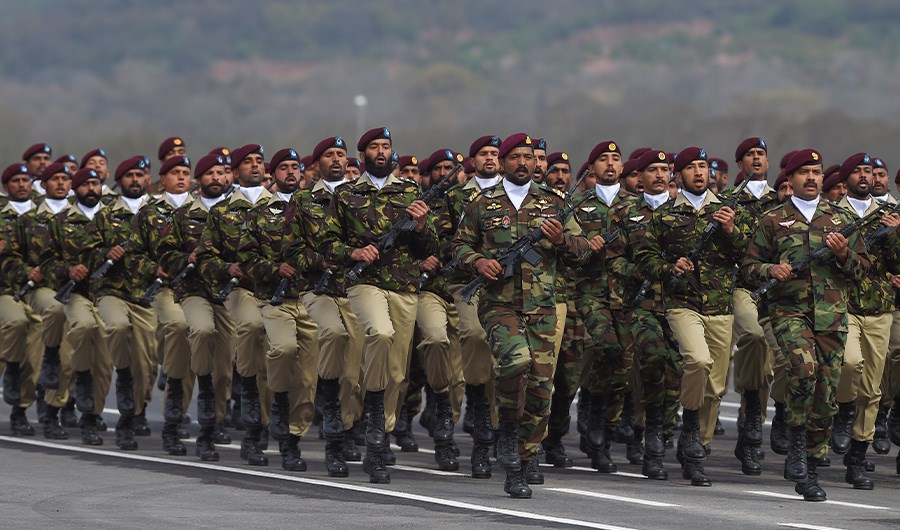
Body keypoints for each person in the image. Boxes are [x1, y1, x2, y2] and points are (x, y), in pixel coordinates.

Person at [452, 132, 591, 498]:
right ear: (502, 162)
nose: (523, 163)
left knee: (542, 387)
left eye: (529, 157)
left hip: (543, 307)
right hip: (500, 304)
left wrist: (561, 239)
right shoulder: (483, 203)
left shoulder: (555, 203)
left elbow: (583, 252)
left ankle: (527, 454)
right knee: (515, 363)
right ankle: (510, 442)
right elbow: (458, 246)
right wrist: (478, 261)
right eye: (515, 157)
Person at [742, 148, 870, 501]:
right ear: (790, 179)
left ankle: (811, 468)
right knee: (803, 368)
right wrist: (771, 270)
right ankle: (796, 442)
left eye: (816, 172)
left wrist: (845, 254)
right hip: (788, 312)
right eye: (804, 173)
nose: (811, 178)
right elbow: (748, 268)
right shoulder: (772, 220)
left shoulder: (842, 219)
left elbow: (863, 271)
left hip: (831, 317)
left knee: (827, 395)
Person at [321, 127, 437, 484]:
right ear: (363, 154)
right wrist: (352, 252)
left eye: (386, 146)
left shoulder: (411, 191)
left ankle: (380, 437)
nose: (382, 151)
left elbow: (427, 248)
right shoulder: (347, 194)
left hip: (404, 286)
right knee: (380, 334)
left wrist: (419, 226)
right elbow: (327, 243)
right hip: (363, 284)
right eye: (375, 146)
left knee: (398, 372)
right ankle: (368, 432)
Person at [636, 147, 750, 487]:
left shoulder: (729, 211)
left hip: (720, 307)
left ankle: (697, 448)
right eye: (691, 168)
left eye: (703, 166)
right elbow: (645, 258)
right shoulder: (665, 215)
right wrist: (671, 267)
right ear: (678, 174)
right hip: (682, 304)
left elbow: (750, 253)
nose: (699, 172)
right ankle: (688, 430)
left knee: (715, 388)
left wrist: (732, 231)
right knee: (697, 361)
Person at [240, 147, 319, 472]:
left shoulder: (317, 209)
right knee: (282, 353)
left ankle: (292, 438)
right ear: (274, 175)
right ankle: (262, 425)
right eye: (283, 167)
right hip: (273, 299)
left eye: (294, 167)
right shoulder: (259, 213)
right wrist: (276, 269)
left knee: (307, 374)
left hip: (312, 298)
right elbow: (246, 259)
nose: (290, 172)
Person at [196, 144, 273, 466]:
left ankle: (273, 424)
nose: (254, 166)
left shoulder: (283, 206)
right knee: (253, 328)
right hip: (240, 290)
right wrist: (228, 268)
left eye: (259, 161)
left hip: (277, 291)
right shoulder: (222, 211)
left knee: (280, 355)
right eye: (247, 163)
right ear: (235, 172)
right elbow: (205, 257)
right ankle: (244, 423)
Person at [158, 153, 236, 461]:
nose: (216, 177)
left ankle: (212, 424)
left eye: (221, 173)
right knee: (201, 332)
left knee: (225, 366)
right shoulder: (183, 214)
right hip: (193, 292)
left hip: (227, 294)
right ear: (199, 181)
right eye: (210, 173)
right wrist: (185, 260)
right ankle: (181, 420)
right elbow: (166, 253)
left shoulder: (237, 212)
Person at [830, 152, 900, 490]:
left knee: (872, 389)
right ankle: (843, 410)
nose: (864, 176)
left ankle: (857, 457)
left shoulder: (889, 215)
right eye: (857, 171)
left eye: (869, 171)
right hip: (844, 304)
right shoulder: (831, 214)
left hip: (880, 308)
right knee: (849, 363)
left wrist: (897, 235)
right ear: (844, 181)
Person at [609, 149, 680, 480]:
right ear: (640, 176)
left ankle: (663, 427)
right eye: (652, 170)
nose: (659, 175)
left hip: (682, 303)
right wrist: (639, 271)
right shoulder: (625, 212)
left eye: (664, 169)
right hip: (642, 304)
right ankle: (652, 434)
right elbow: (613, 259)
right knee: (652, 357)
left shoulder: (685, 211)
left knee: (678, 369)